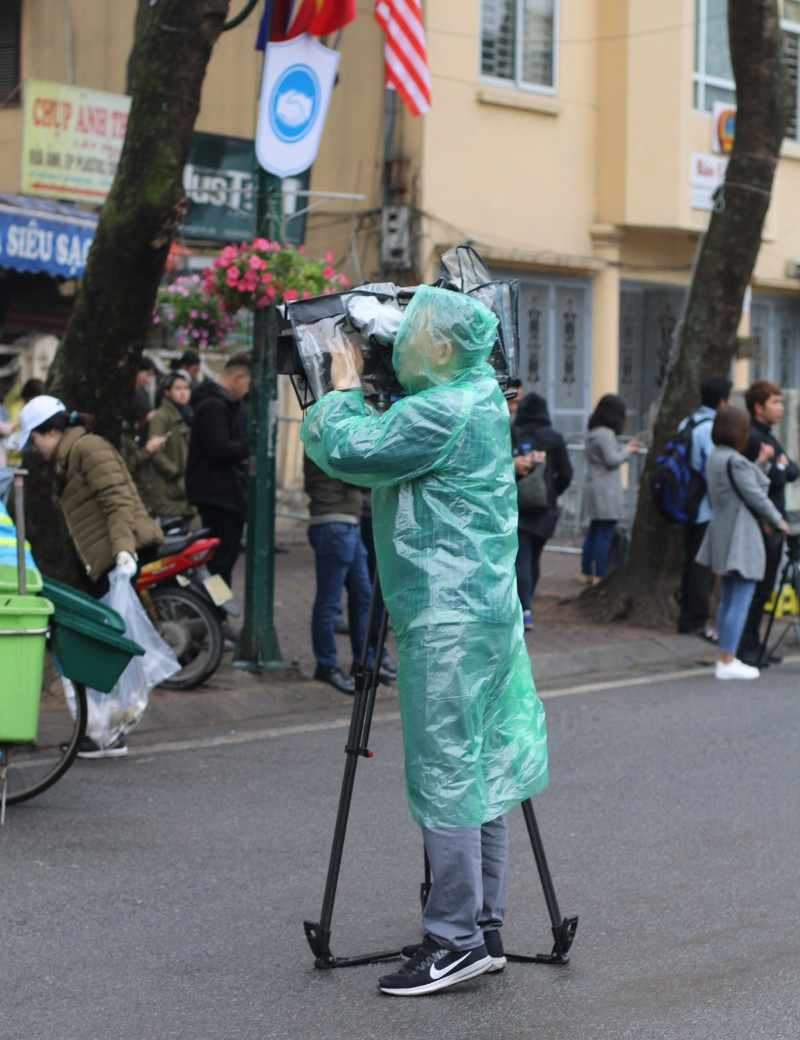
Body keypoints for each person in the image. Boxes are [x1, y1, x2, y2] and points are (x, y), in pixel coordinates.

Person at [301, 286, 548, 997]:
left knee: (446, 774)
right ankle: (483, 930)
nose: (399, 347)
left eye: (409, 336)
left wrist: (341, 386)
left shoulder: (443, 409)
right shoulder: (477, 397)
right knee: (482, 770)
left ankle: (454, 940)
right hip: (485, 611)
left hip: (447, 617)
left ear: (437, 346)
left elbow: (349, 448)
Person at [16, 395, 164, 756]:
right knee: (105, 644)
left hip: (115, 558)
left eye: (34, 440)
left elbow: (117, 500)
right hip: (103, 560)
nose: (35, 450)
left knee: (107, 647)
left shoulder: (88, 448)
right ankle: (104, 732)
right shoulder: (72, 454)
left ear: (50, 431)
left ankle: (105, 733)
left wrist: (123, 551)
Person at [696, 407, 787, 680]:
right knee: (741, 597)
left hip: (723, 531)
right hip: (741, 534)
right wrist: (778, 519)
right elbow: (756, 495)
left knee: (729, 597)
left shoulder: (717, 457)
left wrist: (760, 463)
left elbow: (746, 486)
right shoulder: (734, 461)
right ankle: (728, 658)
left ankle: (725, 656)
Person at [738, 380, 799, 666]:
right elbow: (769, 479)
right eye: (775, 402)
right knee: (756, 587)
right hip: (763, 523)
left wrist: (782, 468)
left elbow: (792, 471)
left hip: (774, 523)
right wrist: (780, 469)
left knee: (764, 588)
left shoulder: (768, 437)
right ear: (758, 407)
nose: (781, 408)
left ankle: (755, 643)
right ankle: (746, 645)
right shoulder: (753, 437)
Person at [303, 453, 373, 694]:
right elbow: (355, 473)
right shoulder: (326, 434)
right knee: (329, 601)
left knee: (363, 595)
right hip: (333, 523)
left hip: (347, 523)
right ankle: (326, 665)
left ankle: (363, 661)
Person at [186, 352, 250, 589]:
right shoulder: (213, 405)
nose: (248, 391)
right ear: (239, 376)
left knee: (224, 561)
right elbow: (220, 447)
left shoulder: (221, 403)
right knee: (219, 564)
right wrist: (252, 446)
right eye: (249, 383)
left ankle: (218, 606)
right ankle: (215, 607)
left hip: (224, 494)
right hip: (217, 495)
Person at [676, 376, 732, 642]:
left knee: (691, 562)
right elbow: (713, 470)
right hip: (704, 506)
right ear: (722, 401)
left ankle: (688, 616)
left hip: (686, 502)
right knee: (702, 566)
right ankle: (696, 620)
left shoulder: (688, 422)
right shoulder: (710, 428)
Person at [510, 392, 573, 629]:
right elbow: (566, 473)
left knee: (522, 558)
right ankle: (527, 604)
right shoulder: (554, 438)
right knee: (534, 558)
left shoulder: (513, 434)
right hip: (545, 509)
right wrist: (552, 492)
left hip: (518, 504)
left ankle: (524, 608)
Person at [580, 394, 639, 583]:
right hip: (606, 490)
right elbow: (612, 460)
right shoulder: (605, 434)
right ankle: (600, 574)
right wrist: (628, 450)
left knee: (594, 531)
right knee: (604, 533)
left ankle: (586, 571)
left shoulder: (594, 432)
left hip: (594, 487)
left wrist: (623, 448)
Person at [148, 370, 196, 527]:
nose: (183, 393)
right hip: (168, 488)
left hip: (182, 486)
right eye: (178, 388)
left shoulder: (186, 414)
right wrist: (175, 473)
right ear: (167, 392)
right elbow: (154, 452)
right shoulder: (162, 416)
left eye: (186, 388)